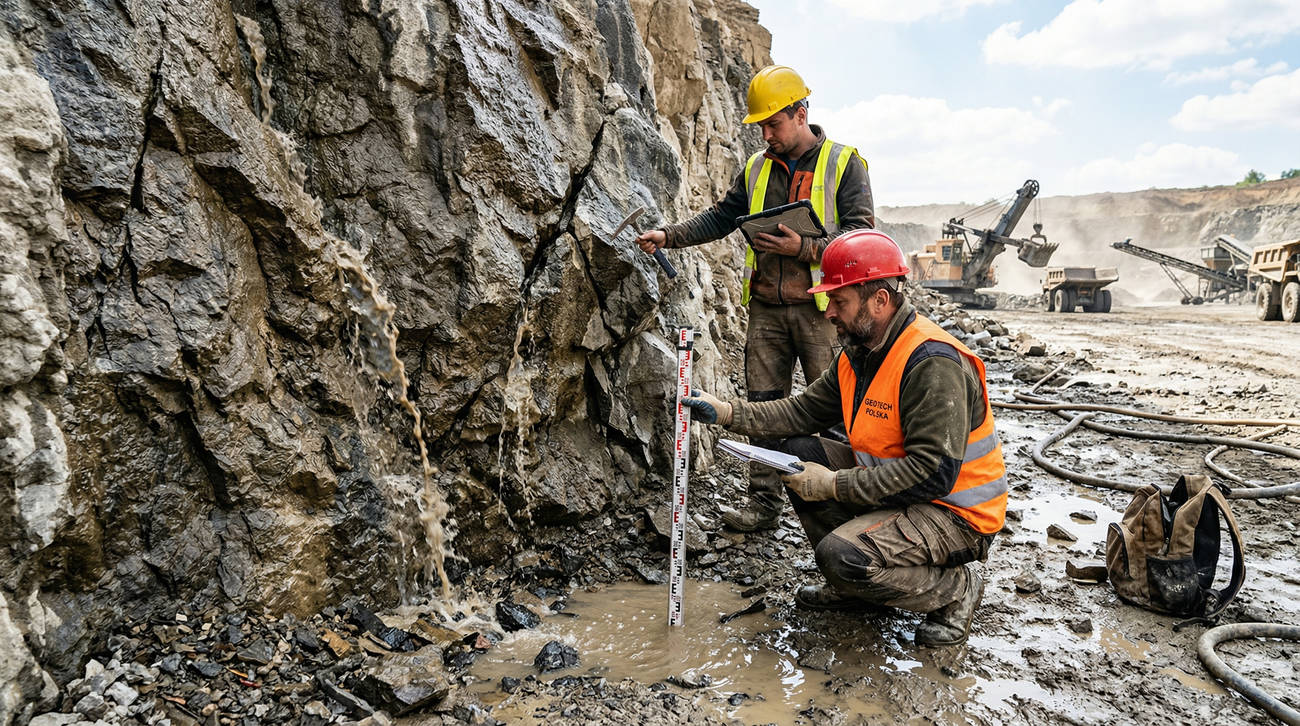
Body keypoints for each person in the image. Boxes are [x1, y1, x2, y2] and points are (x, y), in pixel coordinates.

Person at [681, 230, 1006, 647]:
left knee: (841, 556)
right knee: (797, 453)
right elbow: (801, 411)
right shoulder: (859, 352)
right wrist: (728, 412)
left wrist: (833, 484)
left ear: (880, 300)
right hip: (904, 492)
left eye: (839, 301)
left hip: (956, 515)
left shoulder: (932, 362)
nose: (829, 311)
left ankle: (956, 589)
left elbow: (932, 473)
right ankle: (857, 586)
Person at [637, 65, 875, 532]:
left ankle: (844, 508)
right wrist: (670, 236)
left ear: (801, 114)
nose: (766, 135)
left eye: (773, 124)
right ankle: (763, 504)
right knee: (763, 405)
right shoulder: (756, 168)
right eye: (761, 126)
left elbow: (860, 239)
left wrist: (804, 248)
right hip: (767, 309)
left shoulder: (844, 164)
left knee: (834, 412)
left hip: (823, 311)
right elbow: (721, 217)